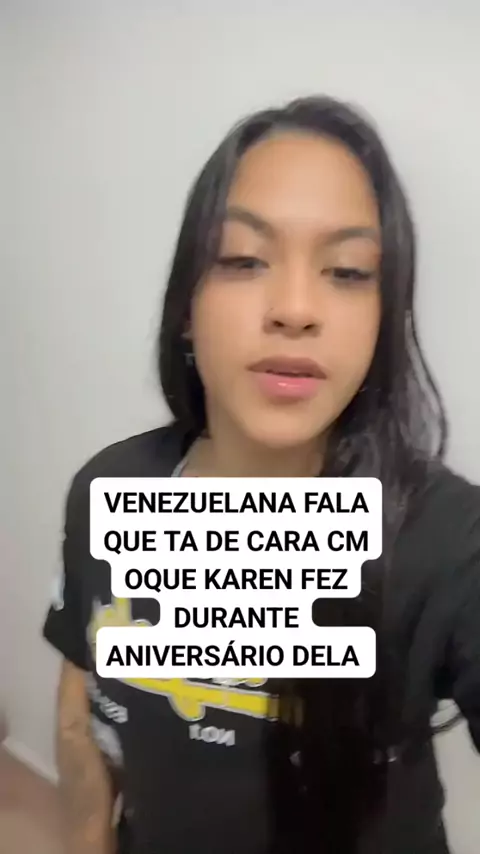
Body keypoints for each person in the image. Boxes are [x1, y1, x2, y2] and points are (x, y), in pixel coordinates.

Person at [42, 95, 480, 854]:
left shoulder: (450, 543)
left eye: (347, 271)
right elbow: (82, 709)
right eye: (243, 259)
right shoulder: (108, 489)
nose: (295, 309)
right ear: (186, 306)